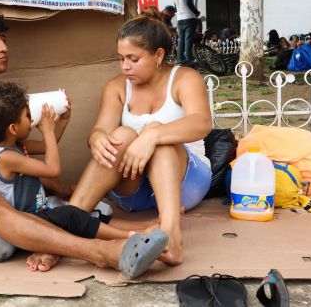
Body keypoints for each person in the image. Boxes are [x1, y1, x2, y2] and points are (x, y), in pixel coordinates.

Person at [0, 5, 168, 278]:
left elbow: (20, 157)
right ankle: (103, 253)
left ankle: (133, 232)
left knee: (57, 206)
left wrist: (56, 187)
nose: (3, 47)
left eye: (3, 39)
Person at [31, 15, 210, 271]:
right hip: (134, 192)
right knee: (122, 135)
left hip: (184, 183)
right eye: (121, 58)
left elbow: (202, 123)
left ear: (158, 55)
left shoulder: (184, 78)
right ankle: (66, 225)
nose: (124, 66)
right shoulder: (117, 87)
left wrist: (152, 136)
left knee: (160, 138)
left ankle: (172, 236)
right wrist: (97, 140)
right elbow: (99, 130)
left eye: (133, 59)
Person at [0, 81, 143, 244]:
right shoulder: (6, 157)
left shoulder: (10, 145)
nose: (32, 119)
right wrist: (47, 130)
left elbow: (47, 146)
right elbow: (53, 169)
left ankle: (145, 227)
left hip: (35, 213)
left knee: (88, 214)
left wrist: (62, 120)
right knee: (72, 215)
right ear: (13, 129)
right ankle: (128, 237)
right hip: (24, 223)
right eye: (28, 116)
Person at [173, 0, 200, 64]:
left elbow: (175, 6)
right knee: (189, 39)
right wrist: (196, 12)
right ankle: (189, 58)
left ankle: (180, 59)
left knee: (181, 40)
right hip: (189, 18)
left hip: (180, 19)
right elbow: (189, 2)